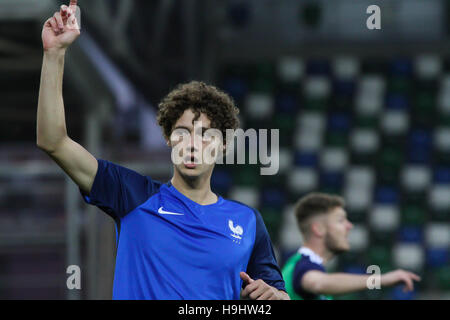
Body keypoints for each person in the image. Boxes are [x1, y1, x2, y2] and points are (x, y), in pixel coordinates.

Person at [37, 0, 288, 300]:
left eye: (205, 135)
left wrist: (272, 296)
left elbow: (280, 296)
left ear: (222, 147)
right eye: (182, 133)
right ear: (169, 140)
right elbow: (53, 141)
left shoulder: (248, 222)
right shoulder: (132, 195)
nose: (192, 144)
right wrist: (55, 54)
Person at [282, 192, 421, 300]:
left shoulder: (300, 265)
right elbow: (317, 283)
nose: (349, 226)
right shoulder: (303, 266)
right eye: (341, 220)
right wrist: (380, 280)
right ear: (319, 229)